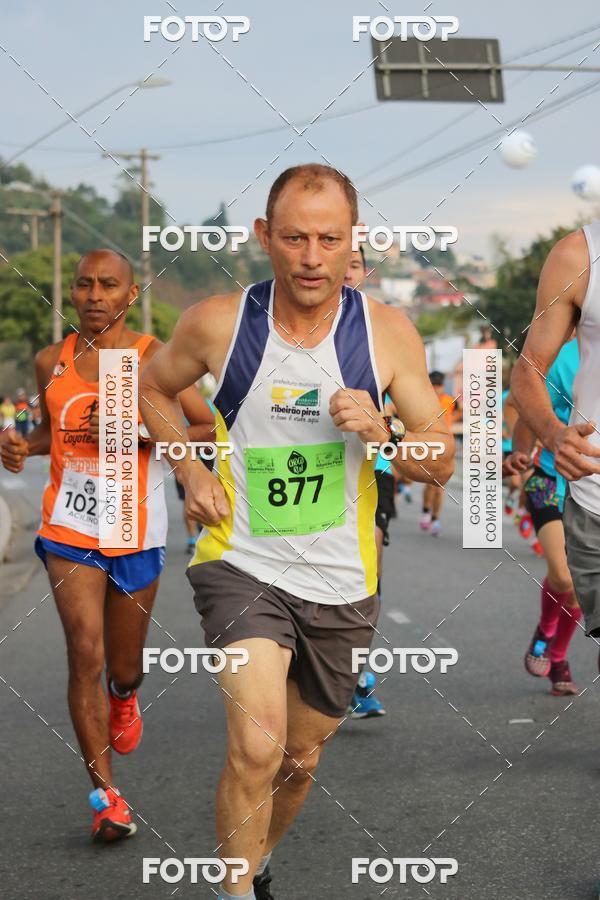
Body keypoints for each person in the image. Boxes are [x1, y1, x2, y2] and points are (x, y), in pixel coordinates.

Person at [140, 163, 454, 900]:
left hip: (343, 577)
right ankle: (235, 889)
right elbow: (150, 388)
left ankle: (255, 856)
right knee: (257, 743)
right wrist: (189, 468)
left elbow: (438, 460)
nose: (311, 256)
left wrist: (381, 434)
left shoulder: (387, 335)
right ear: (263, 239)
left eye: (328, 238)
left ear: (354, 243)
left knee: (299, 758)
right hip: (240, 558)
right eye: (294, 237)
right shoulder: (219, 321)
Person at [0, 248, 213, 843]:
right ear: (71, 292)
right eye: (84, 284)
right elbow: (46, 428)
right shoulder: (53, 360)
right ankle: (107, 797)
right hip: (69, 527)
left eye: (108, 285)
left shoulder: (154, 360)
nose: (95, 295)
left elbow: (205, 424)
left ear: (130, 295)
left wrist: (138, 428)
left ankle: (125, 697)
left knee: (123, 666)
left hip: (134, 527)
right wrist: (18, 445)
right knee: (83, 656)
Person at [511, 221, 600, 660]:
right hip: (565, 481)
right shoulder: (578, 257)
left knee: (570, 585)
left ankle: (556, 651)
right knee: (563, 578)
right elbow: (526, 383)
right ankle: (551, 643)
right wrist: (528, 451)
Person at [506, 338, 581, 694]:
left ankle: (559, 656)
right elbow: (529, 415)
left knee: (583, 588)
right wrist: (519, 452)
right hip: (550, 479)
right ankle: (546, 629)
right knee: (564, 578)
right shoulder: (563, 357)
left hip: (592, 492)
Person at [343, 246, 389, 719]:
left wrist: (383, 422)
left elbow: (422, 417)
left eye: (354, 265)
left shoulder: (385, 330)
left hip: (375, 467)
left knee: (366, 563)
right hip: (306, 472)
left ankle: (357, 668)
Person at [420, 371, 456, 536]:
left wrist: (452, 420)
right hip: (428, 443)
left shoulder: (449, 401)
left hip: (446, 445)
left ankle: (435, 519)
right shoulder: (424, 400)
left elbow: (460, 410)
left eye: (439, 386)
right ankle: (426, 510)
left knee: (439, 486)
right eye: (433, 386)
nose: (437, 389)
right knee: (429, 483)